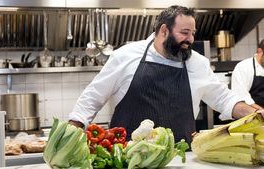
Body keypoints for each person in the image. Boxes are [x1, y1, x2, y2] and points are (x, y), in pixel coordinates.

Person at [69, 5, 263, 145]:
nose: (190, 40)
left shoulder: (197, 63)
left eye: (193, 33)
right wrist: (71, 131)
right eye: (184, 33)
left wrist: (256, 114)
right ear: (164, 30)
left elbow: (223, 98)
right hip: (128, 156)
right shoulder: (126, 55)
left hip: (181, 155)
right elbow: (93, 96)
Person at [232, 39, 264, 110]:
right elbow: (242, 97)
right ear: (260, 51)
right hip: (252, 116)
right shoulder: (244, 67)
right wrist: (261, 111)